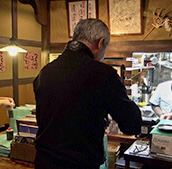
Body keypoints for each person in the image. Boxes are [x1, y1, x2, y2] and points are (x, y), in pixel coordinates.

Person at [33, 18, 142, 169]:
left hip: (43, 161)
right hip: (79, 164)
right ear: (100, 42)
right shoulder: (104, 74)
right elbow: (132, 125)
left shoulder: (45, 72)